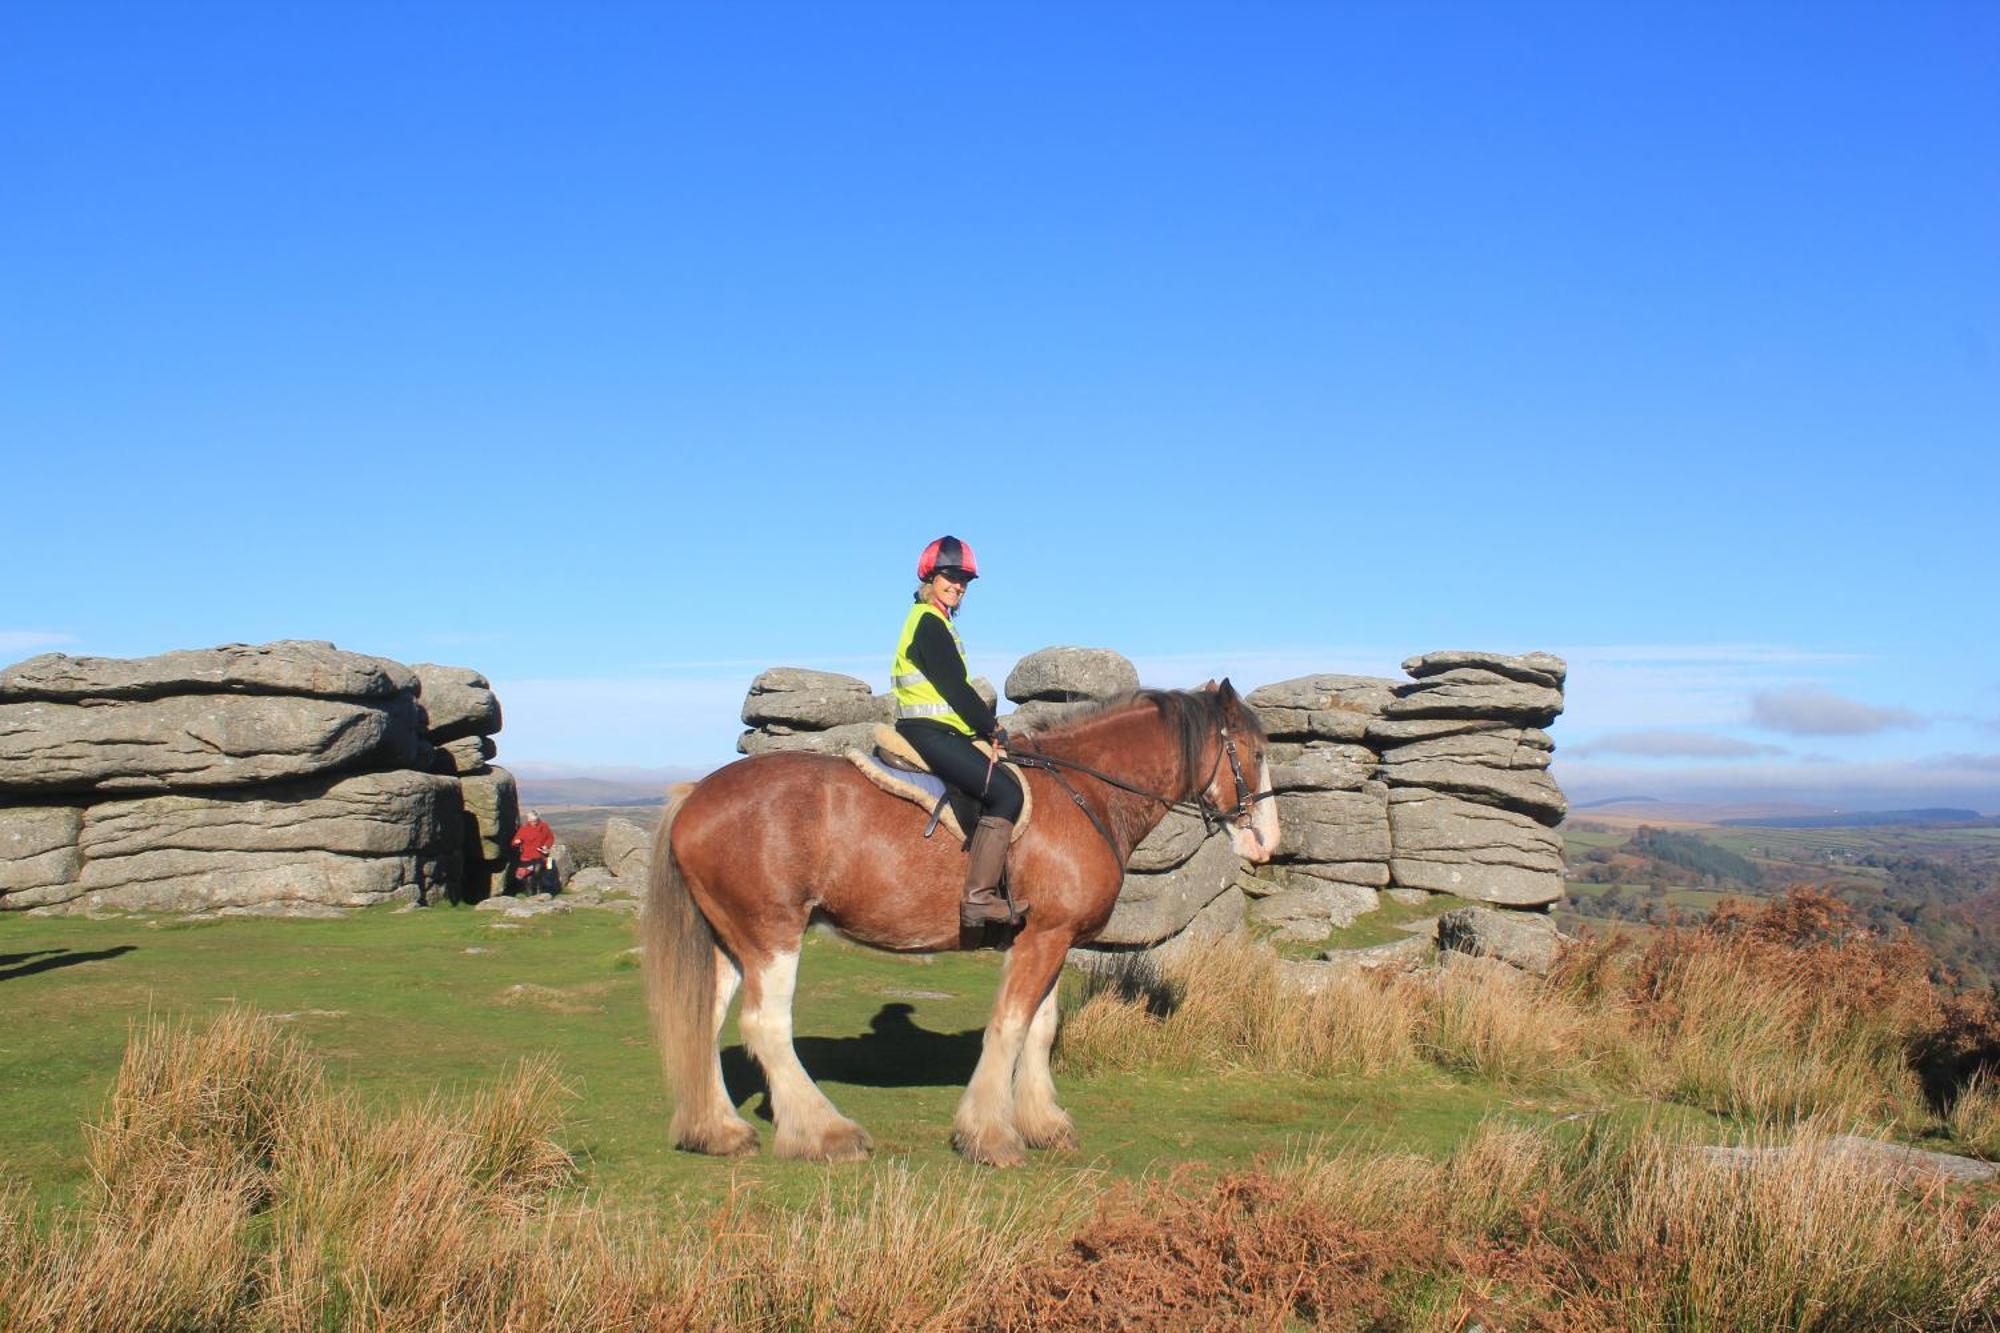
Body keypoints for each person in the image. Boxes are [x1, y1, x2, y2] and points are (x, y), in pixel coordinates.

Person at [891, 535, 1025, 928]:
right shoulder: (929, 623)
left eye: (964, 579)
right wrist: (992, 729)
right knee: (1006, 793)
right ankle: (979, 899)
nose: (959, 585)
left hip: (943, 732)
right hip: (928, 733)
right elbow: (955, 689)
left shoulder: (938, 622)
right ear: (931, 578)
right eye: (951, 576)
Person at [510, 808, 557, 894]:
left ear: (538, 819)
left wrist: (546, 846)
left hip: (541, 855)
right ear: (528, 820)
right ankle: (531, 893)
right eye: (531, 821)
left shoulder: (544, 826)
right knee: (527, 876)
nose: (533, 823)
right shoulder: (524, 829)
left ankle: (540, 892)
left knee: (538, 871)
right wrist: (517, 842)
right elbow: (513, 842)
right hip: (526, 856)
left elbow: (550, 838)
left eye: (535, 820)